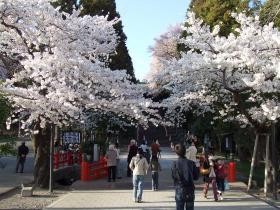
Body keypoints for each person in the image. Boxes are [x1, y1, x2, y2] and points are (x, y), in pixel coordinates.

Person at [171, 143, 199, 210]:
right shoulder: (191, 163)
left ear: (176, 153)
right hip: (190, 189)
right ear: (185, 151)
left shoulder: (174, 164)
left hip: (179, 188)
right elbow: (196, 177)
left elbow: (174, 177)